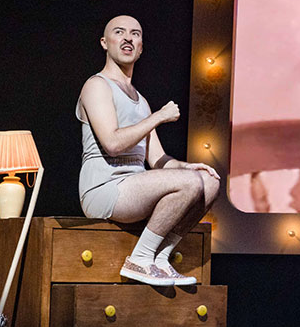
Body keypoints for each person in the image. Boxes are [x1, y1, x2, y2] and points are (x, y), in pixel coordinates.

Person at [76, 15, 220, 286]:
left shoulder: (141, 100)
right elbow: (113, 143)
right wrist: (158, 117)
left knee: (209, 182)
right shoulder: (96, 85)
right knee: (190, 183)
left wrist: (188, 168)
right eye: (119, 32)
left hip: (135, 188)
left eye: (135, 34)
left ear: (141, 47)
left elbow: (158, 160)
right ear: (105, 43)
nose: (128, 38)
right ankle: (140, 259)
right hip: (105, 188)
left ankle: (160, 257)